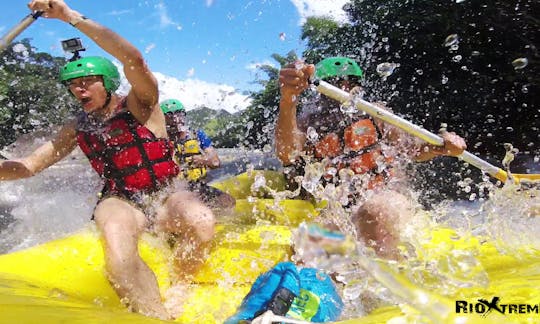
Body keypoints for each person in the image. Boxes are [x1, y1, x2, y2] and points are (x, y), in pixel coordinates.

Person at [0, 0, 215, 320]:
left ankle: (182, 283)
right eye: (73, 84)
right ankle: (155, 315)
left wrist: (69, 17)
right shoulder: (77, 127)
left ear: (108, 82)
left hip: (166, 191)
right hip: (121, 198)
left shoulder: (141, 103)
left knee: (201, 222)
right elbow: (28, 166)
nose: (78, 89)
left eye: (87, 81)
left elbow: (134, 59)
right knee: (118, 259)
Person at [275, 57, 467, 259]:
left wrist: (442, 144)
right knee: (305, 248)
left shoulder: (376, 113)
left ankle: (390, 281)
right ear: (319, 90)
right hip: (342, 210)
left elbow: (414, 149)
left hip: (387, 199)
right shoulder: (307, 122)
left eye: (351, 83)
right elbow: (287, 154)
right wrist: (288, 100)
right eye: (337, 84)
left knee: (372, 214)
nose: (345, 88)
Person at [160, 99, 235, 208]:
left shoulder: (197, 135)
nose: (176, 119)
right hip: (176, 190)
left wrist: (203, 160)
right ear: (163, 119)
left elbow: (216, 162)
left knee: (229, 201)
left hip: (197, 185)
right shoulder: (161, 140)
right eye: (170, 116)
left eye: (179, 114)